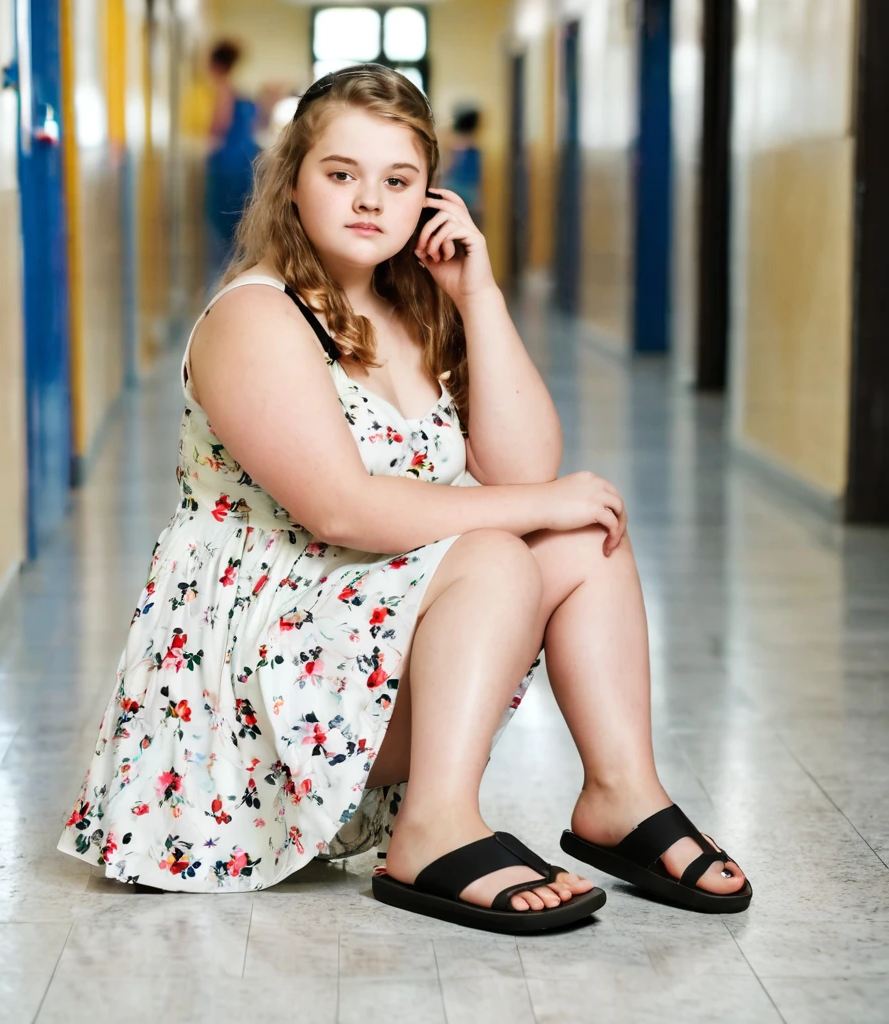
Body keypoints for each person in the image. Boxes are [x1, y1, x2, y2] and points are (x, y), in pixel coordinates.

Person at [58, 64, 750, 932]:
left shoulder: (411, 307)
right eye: (340, 174)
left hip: (354, 631)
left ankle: (621, 796)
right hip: (248, 681)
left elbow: (526, 466)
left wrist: (479, 295)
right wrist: (528, 508)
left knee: (586, 535)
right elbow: (342, 512)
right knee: (504, 543)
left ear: (430, 195)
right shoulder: (257, 316)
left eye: (398, 181)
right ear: (292, 180)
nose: (368, 201)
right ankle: (434, 828)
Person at [205, 40, 259, 287]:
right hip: (244, 162)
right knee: (238, 221)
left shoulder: (221, 90)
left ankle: (227, 279)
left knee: (225, 226)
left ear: (214, 64)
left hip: (227, 164)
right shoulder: (237, 91)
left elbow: (219, 126)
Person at [441, 104, 483, 228]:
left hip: (455, 190)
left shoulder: (451, 144)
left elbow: (446, 170)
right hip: (465, 192)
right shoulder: (472, 147)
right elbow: (478, 178)